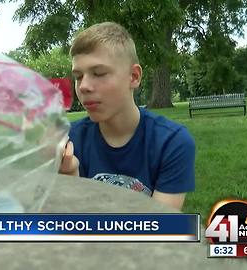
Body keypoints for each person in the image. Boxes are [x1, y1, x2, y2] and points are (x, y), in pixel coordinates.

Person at [59, 22, 195, 210]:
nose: (83, 86)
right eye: (78, 76)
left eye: (98, 73)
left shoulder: (171, 142)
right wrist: (70, 176)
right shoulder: (68, 141)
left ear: (133, 76)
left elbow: (158, 230)